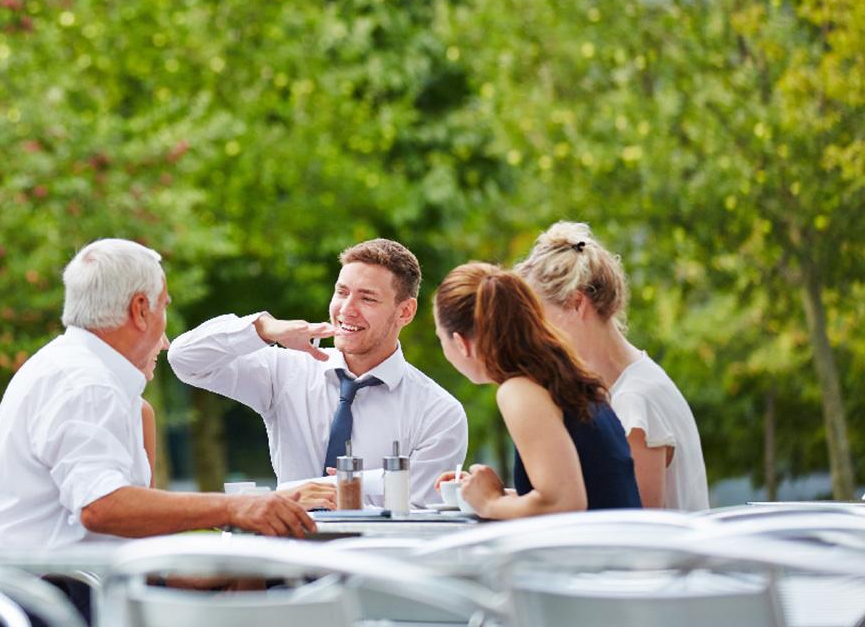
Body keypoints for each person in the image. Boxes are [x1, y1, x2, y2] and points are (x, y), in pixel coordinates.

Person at [0, 239, 316, 623]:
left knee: (246, 575)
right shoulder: (88, 384)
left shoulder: (71, 365)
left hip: (44, 589)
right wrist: (236, 507)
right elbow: (101, 507)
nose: (165, 336)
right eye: (163, 307)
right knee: (267, 588)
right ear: (139, 309)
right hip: (44, 605)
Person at [169, 239, 467, 507]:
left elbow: (421, 519)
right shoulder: (286, 371)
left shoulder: (438, 412)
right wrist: (263, 328)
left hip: (376, 565)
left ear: (405, 312)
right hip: (288, 560)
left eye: (367, 298)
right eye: (342, 292)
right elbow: (185, 359)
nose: (346, 309)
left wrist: (351, 507)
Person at [514, 221, 709, 510]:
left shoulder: (634, 401)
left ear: (576, 304)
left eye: (539, 318)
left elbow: (630, 528)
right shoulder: (631, 382)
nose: (535, 333)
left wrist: (496, 503)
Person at [433, 262, 641, 519]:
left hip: (595, 555)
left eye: (440, 338)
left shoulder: (519, 391)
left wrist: (489, 504)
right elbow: (585, 488)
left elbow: (563, 504)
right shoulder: (561, 374)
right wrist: (490, 493)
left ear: (460, 343)